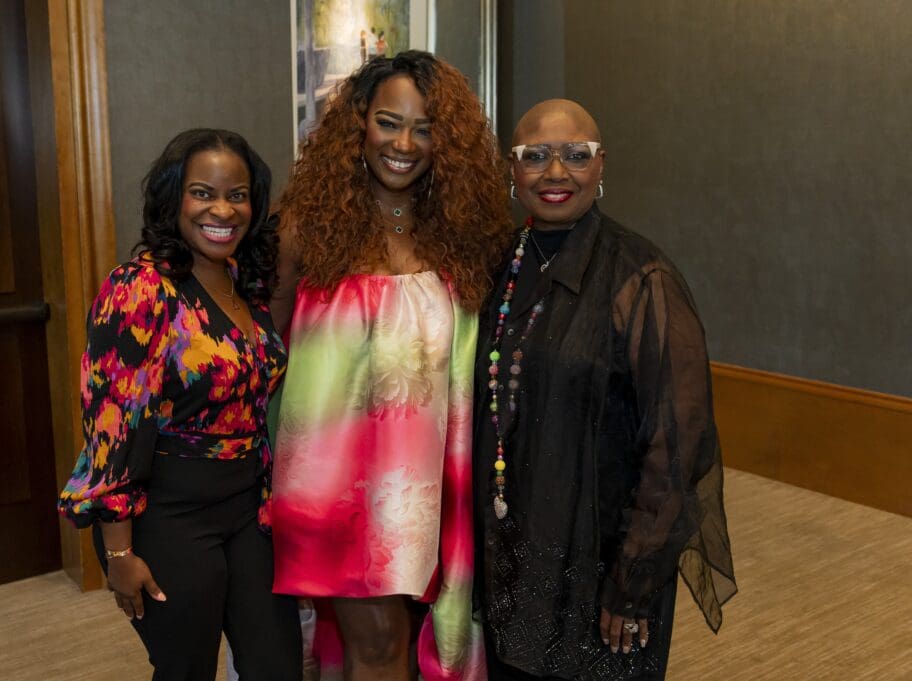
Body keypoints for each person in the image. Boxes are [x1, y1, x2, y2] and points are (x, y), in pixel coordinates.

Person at [473, 99, 737, 680]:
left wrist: (634, 579)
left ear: (601, 165)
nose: (556, 172)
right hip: (516, 553)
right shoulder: (501, 266)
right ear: (510, 170)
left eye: (576, 155)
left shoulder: (642, 279)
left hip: (602, 567)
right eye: (535, 156)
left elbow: (678, 444)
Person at [270, 51, 511, 681]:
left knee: (403, 644)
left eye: (425, 128)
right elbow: (264, 352)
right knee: (378, 645)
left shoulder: (460, 232)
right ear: (358, 125)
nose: (403, 143)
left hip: (434, 485)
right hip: (340, 488)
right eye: (387, 122)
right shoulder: (307, 228)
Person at [57, 129, 302, 681]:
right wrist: (119, 556)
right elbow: (111, 428)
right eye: (203, 192)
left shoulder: (245, 281)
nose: (222, 209)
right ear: (174, 199)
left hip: (250, 514)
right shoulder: (140, 288)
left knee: (277, 666)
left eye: (237, 195)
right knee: (186, 669)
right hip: (168, 517)